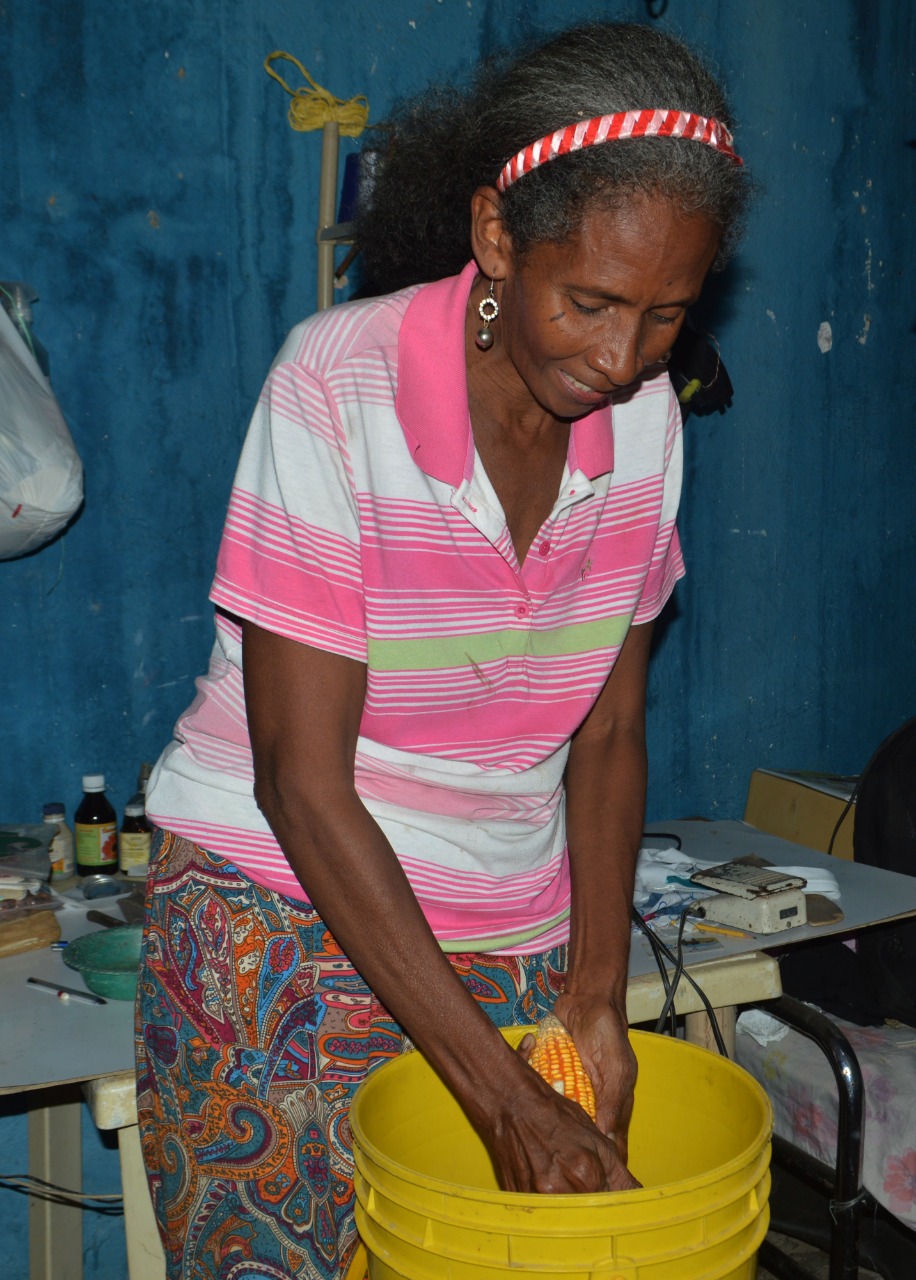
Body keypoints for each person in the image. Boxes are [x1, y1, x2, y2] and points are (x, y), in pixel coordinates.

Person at [136, 19, 751, 1280]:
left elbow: (611, 728)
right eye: (588, 302)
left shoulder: (644, 426)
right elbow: (301, 781)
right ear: (494, 237)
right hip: (283, 915)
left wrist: (593, 989)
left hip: (510, 924)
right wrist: (503, 1094)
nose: (620, 358)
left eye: (664, 319)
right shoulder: (334, 388)